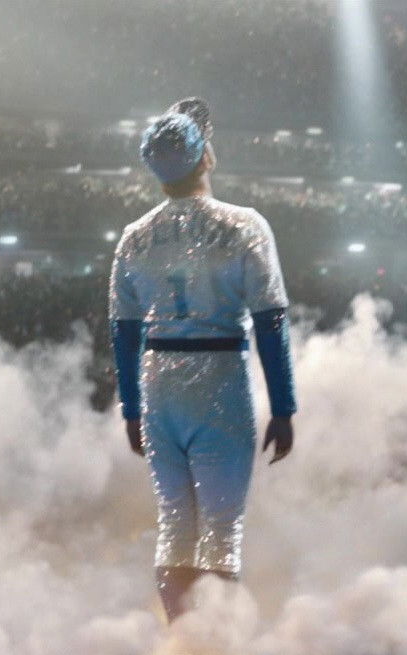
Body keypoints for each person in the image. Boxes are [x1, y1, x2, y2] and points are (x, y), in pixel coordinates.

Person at [109, 97, 297, 622]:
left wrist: (132, 410)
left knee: (175, 525)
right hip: (220, 378)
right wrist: (284, 407)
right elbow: (271, 321)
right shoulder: (244, 225)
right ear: (206, 158)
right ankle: (213, 644)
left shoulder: (134, 236)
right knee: (221, 529)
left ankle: (181, 637)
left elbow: (123, 332)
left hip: (158, 385)